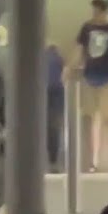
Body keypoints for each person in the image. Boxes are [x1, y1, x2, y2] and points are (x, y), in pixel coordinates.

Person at [62, 0, 108, 173]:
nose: (94, 15)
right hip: (90, 76)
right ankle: (93, 161)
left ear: (105, 11)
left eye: (97, 11)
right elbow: (79, 50)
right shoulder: (87, 28)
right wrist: (69, 68)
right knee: (92, 121)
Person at [46, 43, 65, 173]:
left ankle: (50, 161)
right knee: (55, 128)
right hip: (57, 96)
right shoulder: (58, 58)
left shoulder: (40, 57)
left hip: (43, 94)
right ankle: (53, 162)